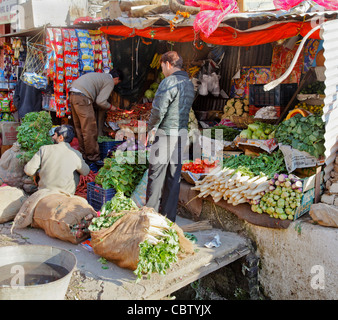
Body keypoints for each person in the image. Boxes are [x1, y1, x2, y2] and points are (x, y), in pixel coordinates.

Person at [145, 51, 195, 222]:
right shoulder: (188, 83)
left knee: (156, 177)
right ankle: (168, 221)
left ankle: (150, 218)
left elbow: (159, 110)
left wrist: (151, 128)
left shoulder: (169, 81)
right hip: (181, 135)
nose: (162, 71)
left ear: (167, 64)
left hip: (165, 134)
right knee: (173, 179)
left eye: (162, 67)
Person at [69, 69, 123, 167]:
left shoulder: (101, 76)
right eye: (117, 82)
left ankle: (84, 155)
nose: (115, 85)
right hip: (83, 98)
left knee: (80, 128)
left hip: (73, 95)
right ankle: (93, 158)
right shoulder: (109, 81)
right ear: (116, 78)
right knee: (90, 129)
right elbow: (101, 101)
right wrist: (113, 108)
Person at [24, 125, 90, 195]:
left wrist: (37, 174)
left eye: (54, 135)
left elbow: (29, 170)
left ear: (61, 137)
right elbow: (86, 172)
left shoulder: (44, 149)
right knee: (77, 169)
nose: (53, 137)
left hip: (45, 192)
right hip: (66, 194)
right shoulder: (76, 154)